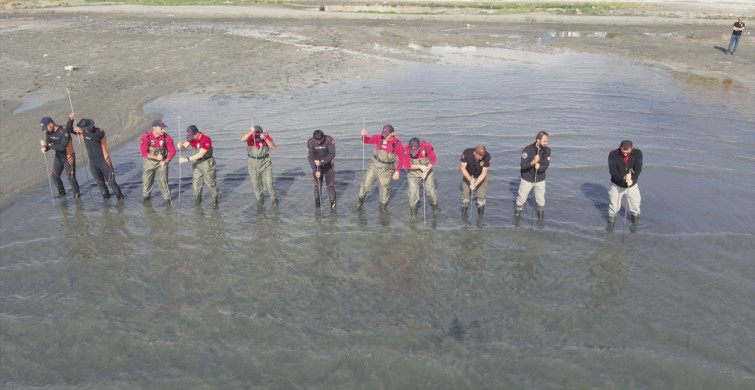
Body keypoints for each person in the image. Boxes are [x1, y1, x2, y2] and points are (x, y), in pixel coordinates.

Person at [355, 124, 405, 212]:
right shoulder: (379, 137)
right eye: (383, 134)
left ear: (392, 133)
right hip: (374, 166)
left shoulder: (398, 143)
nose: (384, 136)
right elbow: (367, 141)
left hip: (387, 170)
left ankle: (382, 208)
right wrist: (364, 135)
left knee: (385, 189)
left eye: (387, 134)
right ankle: (360, 203)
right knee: (365, 185)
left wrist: (397, 171)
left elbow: (402, 158)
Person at [73, 118, 124, 200]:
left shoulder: (99, 132)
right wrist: (70, 119)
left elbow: (95, 137)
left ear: (90, 126)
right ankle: (107, 208)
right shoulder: (84, 134)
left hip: (105, 162)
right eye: (82, 129)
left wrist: (83, 132)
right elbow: (69, 130)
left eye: (84, 129)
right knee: (101, 185)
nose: (83, 130)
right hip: (93, 165)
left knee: (112, 183)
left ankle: (121, 205)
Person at [39, 113, 80, 199]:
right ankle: (62, 194)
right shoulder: (49, 133)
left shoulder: (63, 132)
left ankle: (76, 196)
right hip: (58, 157)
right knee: (55, 176)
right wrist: (45, 149)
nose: (46, 129)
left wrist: (48, 145)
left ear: (51, 123)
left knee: (70, 177)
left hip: (68, 156)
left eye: (46, 127)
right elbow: (49, 145)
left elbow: (62, 147)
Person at [178, 125, 219, 206]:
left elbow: (201, 154)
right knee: (196, 185)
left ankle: (215, 205)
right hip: (196, 164)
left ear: (197, 133)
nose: (190, 138)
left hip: (207, 163)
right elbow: (184, 147)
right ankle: (197, 205)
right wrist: (180, 146)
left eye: (192, 136)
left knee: (210, 184)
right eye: (189, 136)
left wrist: (186, 159)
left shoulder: (206, 140)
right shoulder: (191, 139)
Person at [514, 131, 551, 220]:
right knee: (521, 198)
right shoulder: (527, 150)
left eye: (547, 141)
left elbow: (546, 165)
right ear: (538, 140)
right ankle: (517, 217)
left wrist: (540, 167)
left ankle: (540, 219)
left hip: (540, 179)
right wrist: (533, 162)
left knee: (541, 200)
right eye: (544, 141)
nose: (546, 143)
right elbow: (523, 166)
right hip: (527, 178)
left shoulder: (547, 150)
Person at [607, 140, 642, 228]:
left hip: (632, 185)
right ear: (620, 147)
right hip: (616, 185)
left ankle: (634, 226)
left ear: (632, 148)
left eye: (627, 153)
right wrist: (623, 177)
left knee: (636, 207)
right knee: (613, 208)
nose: (625, 154)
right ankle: (610, 228)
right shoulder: (613, 154)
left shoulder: (637, 153)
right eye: (623, 152)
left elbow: (638, 169)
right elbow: (612, 171)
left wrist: (632, 180)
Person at [140, 119, 176, 203]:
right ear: (154, 128)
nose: (164, 130)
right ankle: (146, 202)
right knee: (147, 183)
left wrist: (166, 161)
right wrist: (156, 158)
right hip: (148, 163)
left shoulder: (167, 138)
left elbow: (172, 151)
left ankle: (168, 202)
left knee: (164, 183)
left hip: (162, 163)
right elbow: (144, 153)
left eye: (164, 128)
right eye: (161, 128)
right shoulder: (145, 137)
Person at [241, 125, 277, 207]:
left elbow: (273, 147)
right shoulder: (250, 136)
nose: (257, 137)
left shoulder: (266, 136)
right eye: (256, 134)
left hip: (265, 162)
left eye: (259, 135)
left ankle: (274, 200)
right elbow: (242, 139)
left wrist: (265, 138)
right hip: (252, 162)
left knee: (269, 184)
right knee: (256, 184)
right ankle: (260, 201)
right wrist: (251, 131)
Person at [403, 137, 438, 216]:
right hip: (413, 174)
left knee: (431, 192)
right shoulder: (406, 149)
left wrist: (426, 170)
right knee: (412, 194)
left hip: (427, 171)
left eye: (416, 150)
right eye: (412, 151)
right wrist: (419, 166)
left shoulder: (427, 146)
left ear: (420, 145)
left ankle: (435, 208)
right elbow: (406, 165)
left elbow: (433, 159)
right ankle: (413, 214)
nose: (414, 153)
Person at [306, 129, 336, 210]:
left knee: (330, 187)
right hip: (317, 168)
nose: (319, 143)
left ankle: (333, 211)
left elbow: (332, 154)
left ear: (323, 137)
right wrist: (315, 171)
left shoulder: (329, 140)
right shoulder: (310, 142)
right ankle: (317, 209)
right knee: (317, 187)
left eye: (320, 140)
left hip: (329, 166)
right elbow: (310, 157)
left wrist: (322, 162)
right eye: (317, 141)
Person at [460, 145, 491, 217]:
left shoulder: (487, 156)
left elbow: (484, 173)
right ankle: (464, 216)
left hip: (480, 176)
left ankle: (480, 217)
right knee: (465, 195)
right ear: (475, 153)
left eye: (482, 157)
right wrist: (470, 180)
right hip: (468, 174)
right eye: (479, 157)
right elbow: (462, 168)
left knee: (481, 196)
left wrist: (475, 184)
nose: (480, 158)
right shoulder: (466, 153)